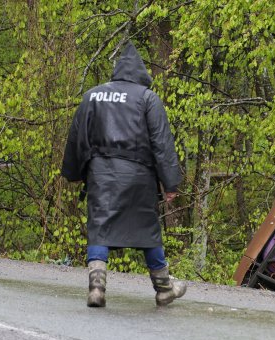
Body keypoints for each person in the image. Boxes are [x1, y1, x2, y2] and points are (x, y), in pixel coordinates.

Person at [61, 42, 186, 307]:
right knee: (147, 229)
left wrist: (74, 172)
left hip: (101, 174)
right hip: (139, 176)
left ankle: (96, 288)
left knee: (99, 227)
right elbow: (161, 143)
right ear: (141, 74)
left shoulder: (93, 96)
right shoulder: (148, 98)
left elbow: (77, 137)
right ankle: (164, 288)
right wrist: (170, 183)